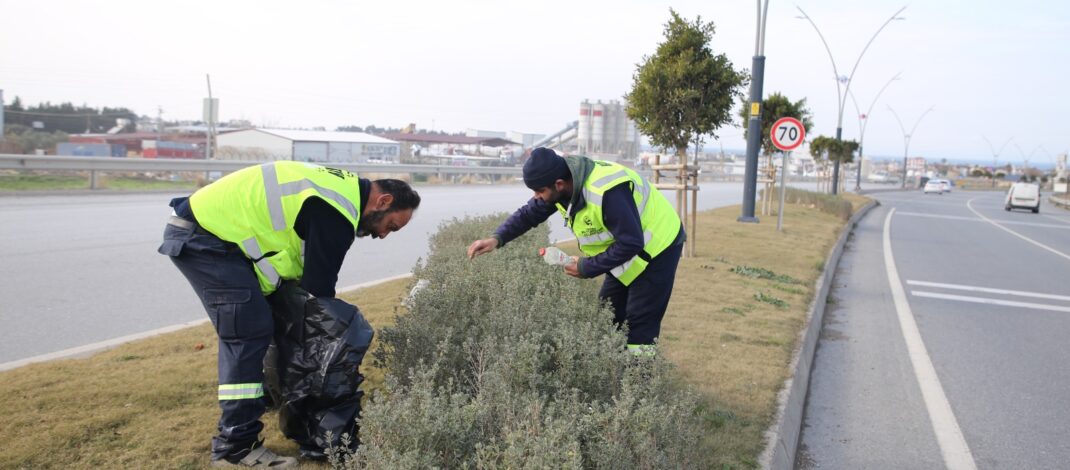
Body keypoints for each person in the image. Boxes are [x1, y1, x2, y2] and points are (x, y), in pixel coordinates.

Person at [158, 161, 420, 468]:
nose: (383, 235)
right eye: (390, 226)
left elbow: (302, 284)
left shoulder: (341, 191)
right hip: (206, 238)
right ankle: (236, 447)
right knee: (247, 334)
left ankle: (266, 398)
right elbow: (318, 293)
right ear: (383, 202)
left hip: (211, 232)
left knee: (267, 322)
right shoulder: (337, 210)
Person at [466, 147, 683, 356]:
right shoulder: (561, 185)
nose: (537, 196)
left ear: (559, 184)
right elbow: (529, 214)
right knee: (607, 315)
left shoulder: (606, 191)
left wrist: (586, 267)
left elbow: (631, 243)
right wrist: (496, 239)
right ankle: (615, 375)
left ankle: (640, 385)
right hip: (628, 246)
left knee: (640, 323)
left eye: (539, 191)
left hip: (659, 245)